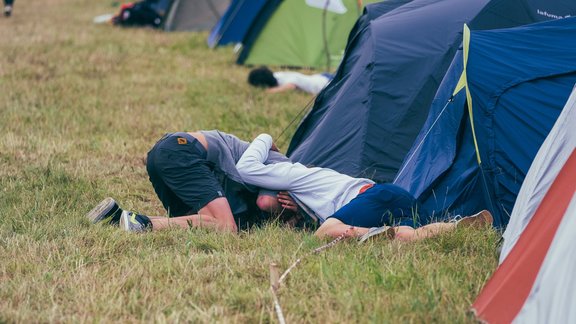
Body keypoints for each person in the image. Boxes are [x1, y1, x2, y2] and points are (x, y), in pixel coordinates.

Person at [236, 133, 493, 241]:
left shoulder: (292, 173)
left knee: (324, 234)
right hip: (391, 196)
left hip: (372, 199)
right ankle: (455, 227)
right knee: (409, 237)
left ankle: (373, 233)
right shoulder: (307, 197)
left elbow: (245, 168)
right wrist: (297, 215)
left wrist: (264, 138)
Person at [86, 130, 295, 233]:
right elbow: (266, 202)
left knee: (197, 223)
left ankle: (116, 219)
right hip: (184, 152)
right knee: (225, 227)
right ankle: (143, 223)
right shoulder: (286, 171)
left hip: (166, 151)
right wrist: (291, 211)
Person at [247, 66, 333, 95]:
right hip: (320, 77)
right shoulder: (277, 75)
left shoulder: (287, 81)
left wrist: (268, 91)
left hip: (328, 82)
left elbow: (291, 86)